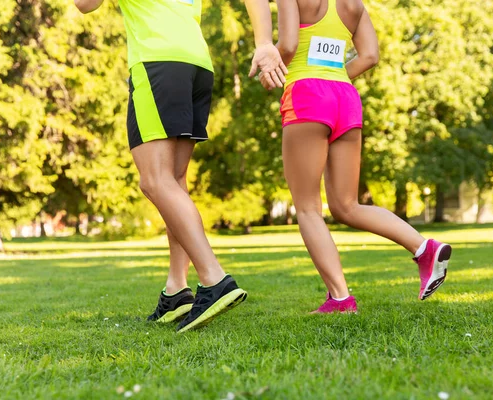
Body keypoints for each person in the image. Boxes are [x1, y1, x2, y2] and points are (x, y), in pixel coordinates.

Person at [74, 0, 287, 332]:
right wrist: (262, 42)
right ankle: (176, 289)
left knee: (155, 181)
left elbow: (84, 5)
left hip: (157, 60)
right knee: (173, 180)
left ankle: (214, 280)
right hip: (196, 64)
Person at [260, 0, 451, 313]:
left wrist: (270, 64)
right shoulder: (353, 4)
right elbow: (370, 56)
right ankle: (423, 248)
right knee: (346, 205)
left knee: (307, 207)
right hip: (345, 97)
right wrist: (332, 77)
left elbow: (289, 44)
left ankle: (340, 299)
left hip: (307, 94)